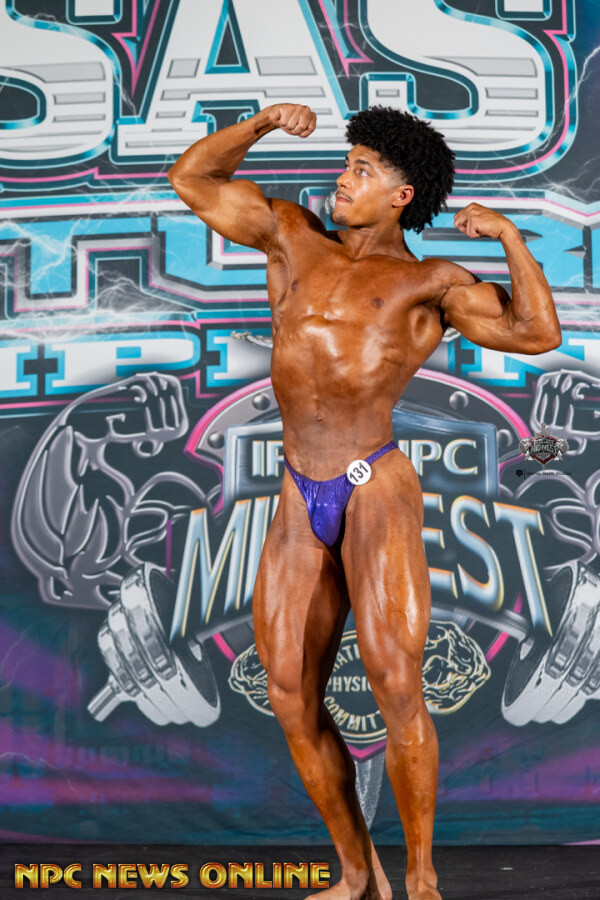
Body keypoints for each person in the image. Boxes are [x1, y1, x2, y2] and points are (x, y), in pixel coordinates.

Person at [168, 104, 561, 900]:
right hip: (297, 488)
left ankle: (421, 882)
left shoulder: (431, 282)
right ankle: (358, 876)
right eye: (346, 164)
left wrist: (511, 240)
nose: (342, 180)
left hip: (374, 485)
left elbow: (535, 333)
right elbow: (193, 179)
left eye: (362, 171)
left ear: (401, 196)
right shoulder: (291, 235)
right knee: (288, 693)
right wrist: (260, 124)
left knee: (395, 682)